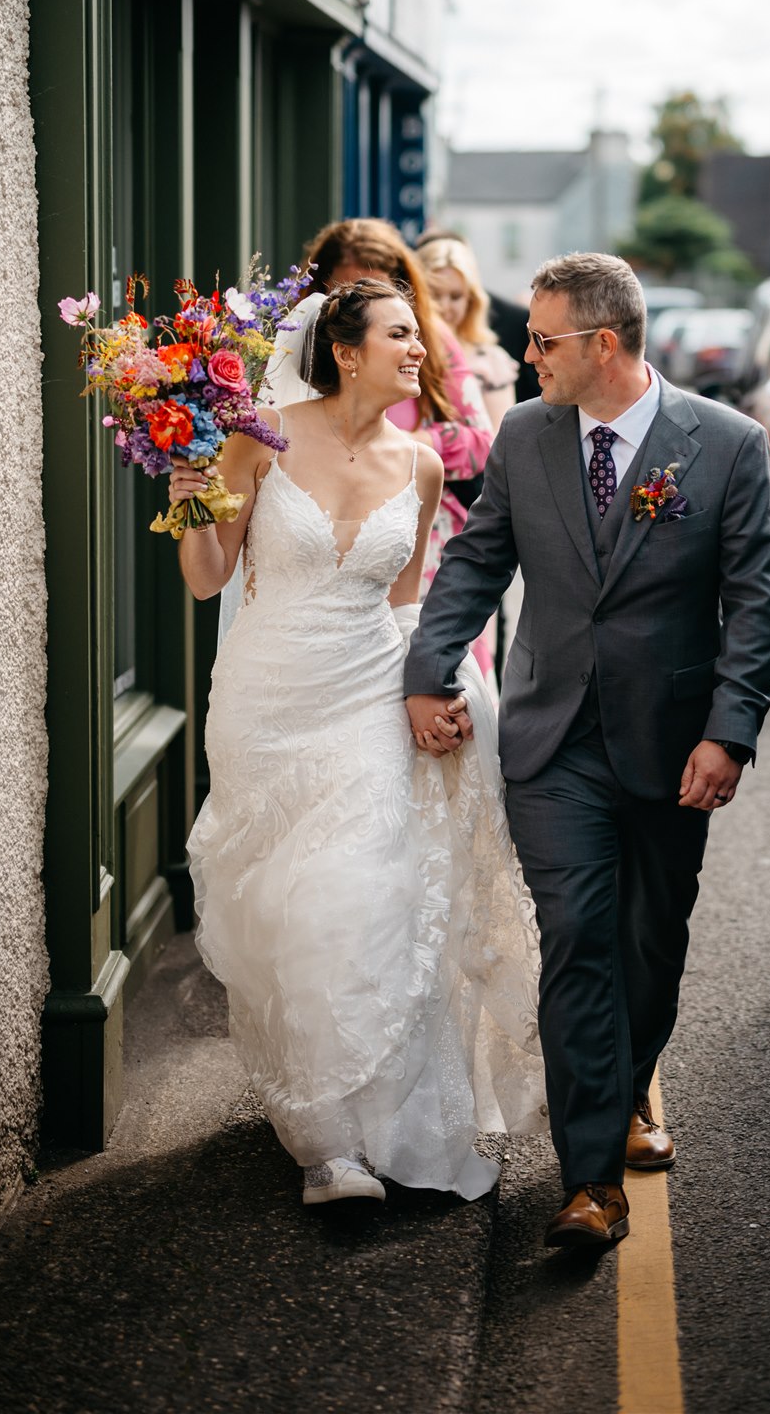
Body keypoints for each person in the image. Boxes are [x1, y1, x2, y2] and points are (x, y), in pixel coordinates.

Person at [403, 252, 770, 1251]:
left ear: (602, 343)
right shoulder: (525, 435)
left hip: (672, 745)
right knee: (577, 936)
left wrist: (728, 730)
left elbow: (754, 604)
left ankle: (625, 1084)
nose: (525, 355)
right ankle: (588, 1184)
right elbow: (478, 557)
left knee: (649, 943)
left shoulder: (729, 445)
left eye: (542, 338)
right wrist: (426, 668)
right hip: (552, 735)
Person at [173, 279, 542, 1206]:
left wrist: (437, 691)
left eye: (416, 336)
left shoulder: (420, 465)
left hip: (371, 691)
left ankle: (363, 1138)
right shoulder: (259, 439)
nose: (418, 349)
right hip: (267, 701)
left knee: (364, 894)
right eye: (399, 335)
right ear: (344, 351)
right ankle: (326, 1128)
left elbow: (408, 602)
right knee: (287, 912)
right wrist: (187, 502)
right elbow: (208, 578)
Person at [276, 220, 497, 667]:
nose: (362, 303)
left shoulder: (431, 340)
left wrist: (400, 446)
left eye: (375, 287)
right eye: (347, 290)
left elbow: (479, 441)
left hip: (416, 538)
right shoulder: (292, 354)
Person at [417, 235, 519, 430]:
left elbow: (498, 443)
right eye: (434, 294)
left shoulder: (491, 361)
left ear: (471, 300)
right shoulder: (401, 353)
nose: (444, 307)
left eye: (455, 296)